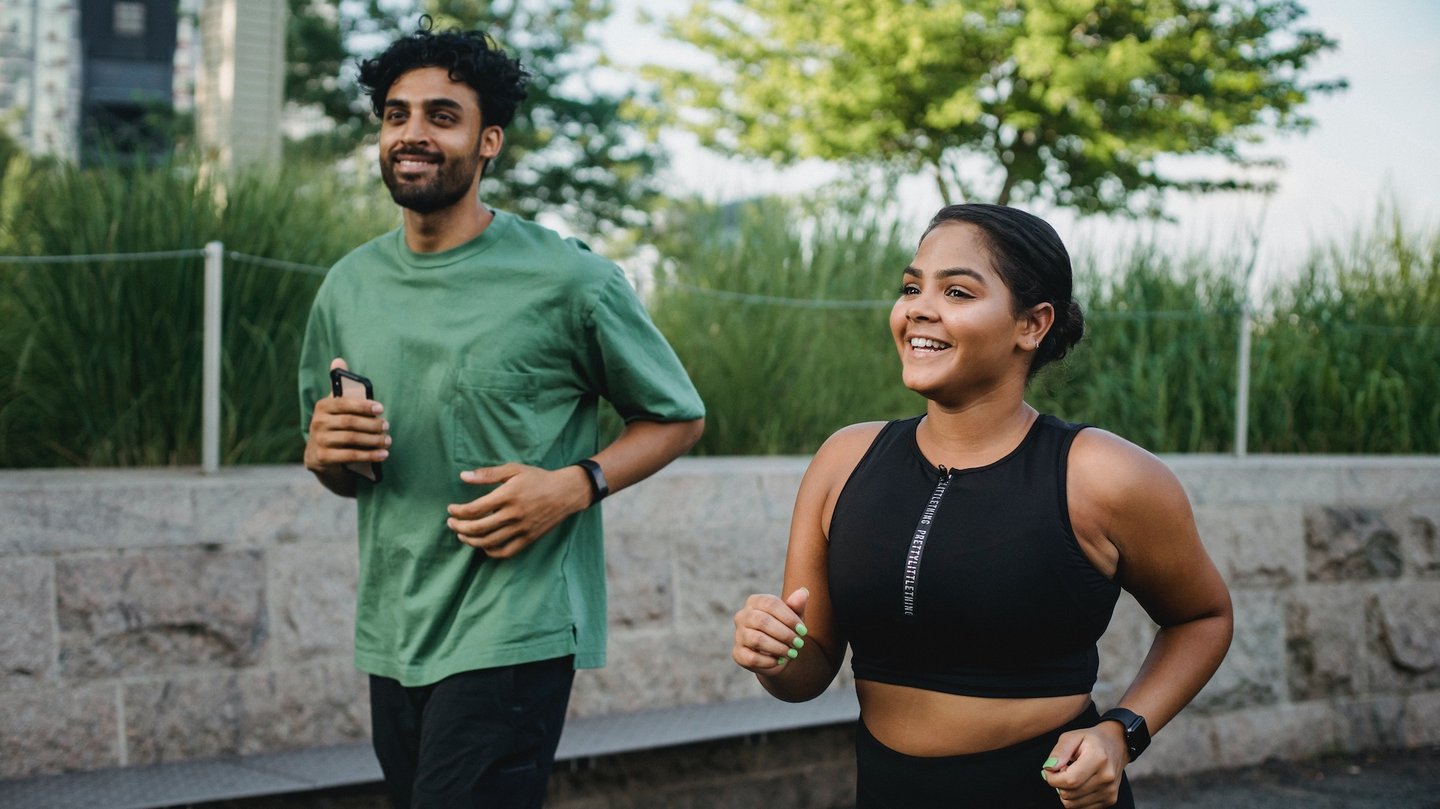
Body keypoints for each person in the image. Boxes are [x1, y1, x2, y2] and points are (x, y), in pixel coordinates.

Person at [298, 24, 704, 809]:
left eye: (441, 116)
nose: (412, 132)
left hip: (513, 627)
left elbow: (677, 416)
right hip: (393, 630)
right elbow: (346, 476)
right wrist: (325, 457)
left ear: (488, 142)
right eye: (395, 114)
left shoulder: (569, 278)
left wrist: (575, 484)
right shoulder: (346, 289)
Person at [731, 204, 1232, 809]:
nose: (918, 306)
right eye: (912, 287)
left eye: (958, 291)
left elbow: (1202, 618)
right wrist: (774, 653)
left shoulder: (1103, 475)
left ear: (1032, 324)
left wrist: (1120, 733)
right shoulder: (843, 460)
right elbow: (808, 674)